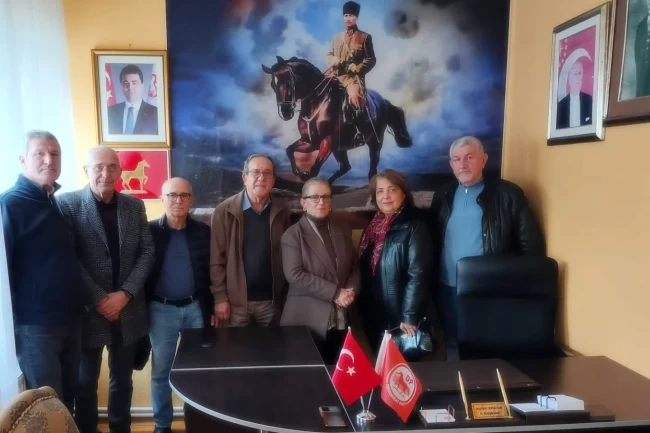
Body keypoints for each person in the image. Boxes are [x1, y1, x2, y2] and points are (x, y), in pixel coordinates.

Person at [57, 146, 155, 433]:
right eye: (98, 167)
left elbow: (147, 253)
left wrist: (125, 294)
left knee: (122, 381)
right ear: (86, 170)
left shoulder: (134, 206)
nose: (105, 173)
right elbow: (69, 258)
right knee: (85, 383)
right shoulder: (67, 205)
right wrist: (101, 299)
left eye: (112, 167)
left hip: (129, 309)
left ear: (120, 171)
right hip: (89, 311)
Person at [429, 136, 545, 359]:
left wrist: (524, 290)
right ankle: (457, 379)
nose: (463, 164)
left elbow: (530, 246)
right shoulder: (443, 195)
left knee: (487, 348)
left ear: (483, 160)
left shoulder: (508, 194)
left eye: (469, 157)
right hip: (448, 287)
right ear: (451, 165)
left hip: (491, 288)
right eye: (457, 159)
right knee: (453, 343)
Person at [0, 130, 84, 414]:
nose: (49, 160)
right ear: (23, 160)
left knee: (68, 401)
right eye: (40, 153)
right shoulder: (9, 204)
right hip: (36, 328)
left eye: (55, 153)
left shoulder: (52, 201)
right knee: (48, 408)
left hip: (70, 321)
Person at [146, 178, 212, 433]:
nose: (178, 200)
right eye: (172, 195)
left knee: (195, 372)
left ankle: (195, 424)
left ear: (191, 200)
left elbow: (210, 273)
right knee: (161, 372)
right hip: (160, 311)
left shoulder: (203, 231)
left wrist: (212, 308)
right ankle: (162, 425)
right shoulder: (149, 231)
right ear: (162, 198)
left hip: (195, 309)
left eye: (184, 195)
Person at [280, 178, 360, 364]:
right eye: (314, 197)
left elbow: (354, 266)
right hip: (307, 319)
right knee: (309, 376)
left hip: (340, 318)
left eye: (325, 197)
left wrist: (351, 291)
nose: (321, 202)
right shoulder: (293, 235)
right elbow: (295, 275)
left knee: (337, 372)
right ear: (303, 203)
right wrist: (336, 293)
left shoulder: (342, 230)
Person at [210, 154, 291, 327]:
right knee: (236, 345)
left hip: (271, 303)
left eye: (267, 173)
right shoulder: (223, 211)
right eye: (255, 172)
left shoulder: (282, 210)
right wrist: (220, 298)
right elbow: (216, 260)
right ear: (245, 178)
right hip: (236, 305)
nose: (261, 178)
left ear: (273, 180)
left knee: (273, 345)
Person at [357, 169, 433, 354]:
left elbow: (418, 275)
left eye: (392, 190)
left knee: (399, 366)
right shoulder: (374, 226)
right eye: (380, 191)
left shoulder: (415, 225)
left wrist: (409, 315)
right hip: (374, 311)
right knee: (380, 361)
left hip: (399, 314)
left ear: (403, 194)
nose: (385, 196)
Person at [326, 1, 376, 144]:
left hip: (352, 78)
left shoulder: (364, 37)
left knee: (354, 96)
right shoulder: (336, 37)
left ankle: (358, 130)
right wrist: (334, 60)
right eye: (346, 15)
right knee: (315, 88)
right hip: (334, 74)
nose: (348, 18)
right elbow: (329, 55)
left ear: (356, 17)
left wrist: (357, 68)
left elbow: (371, 60)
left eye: (351, 15)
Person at [107, 64, 158, 135]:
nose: (130, 87)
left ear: (142, 85)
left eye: (134, 83)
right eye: (126, 83)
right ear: (121, 86)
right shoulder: (110, 111)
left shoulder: (155, 113)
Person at [556, 59, 592, 129]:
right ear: (568, 77)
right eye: (575, 73)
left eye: (580, 73)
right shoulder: (560, 106)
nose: (578, 78)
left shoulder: (590, 101)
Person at [635, 0, 650, 98]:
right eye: (648, 2)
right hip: (643, 68)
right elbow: (637, 49)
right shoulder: (641, 25)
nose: (649, 4)